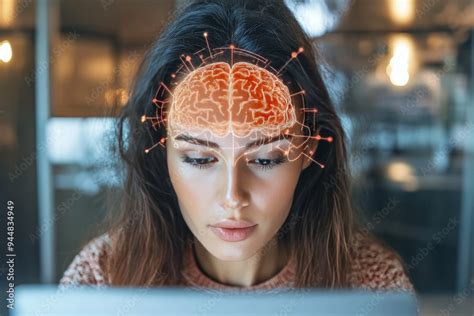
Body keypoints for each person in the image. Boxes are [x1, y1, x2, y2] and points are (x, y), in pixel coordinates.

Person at [60, 0, 413, 291]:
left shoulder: (370, 285)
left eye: (265, 159)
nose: (232, 196)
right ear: (162, 148)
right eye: (199, 158)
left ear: (308, 149)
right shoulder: (102, 279)